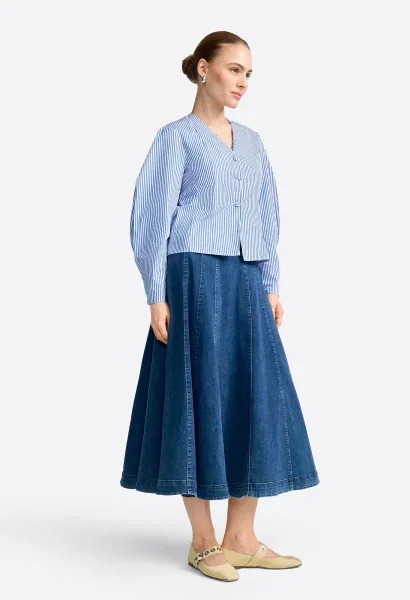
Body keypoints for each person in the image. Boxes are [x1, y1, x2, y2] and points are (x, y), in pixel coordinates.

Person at [120, 30, 320, 582]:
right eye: (234, 69)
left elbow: (267, 213)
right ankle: (203, 541)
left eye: (248, 73)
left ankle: (242, 538)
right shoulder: (175, 138)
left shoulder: (252, 142)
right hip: (193, 278)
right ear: (204, 68)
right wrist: (155, 293)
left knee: (255, 396)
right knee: (196, 396)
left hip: (247, 276)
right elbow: (150, 218)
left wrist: (271, 283)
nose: (242, 82)